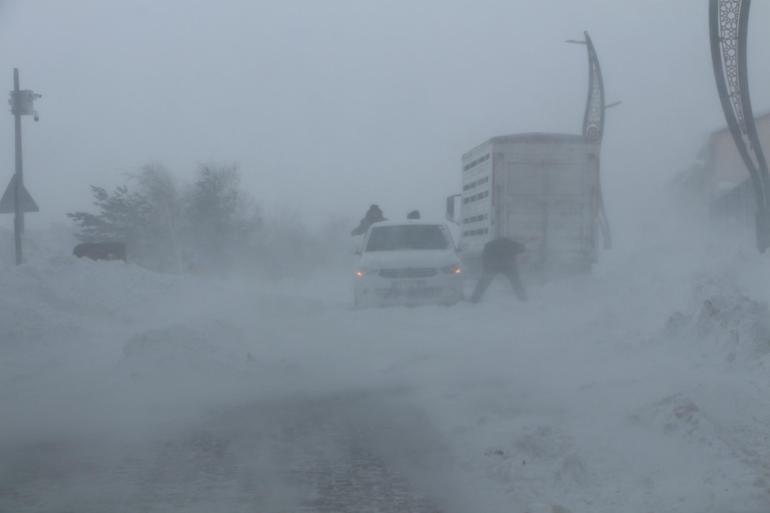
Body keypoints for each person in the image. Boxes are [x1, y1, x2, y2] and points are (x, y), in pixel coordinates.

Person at [470, 237, 527, 303]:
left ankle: (475, 299)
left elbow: (484, 257)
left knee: (484, 282)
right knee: (516, 281)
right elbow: (522, 249)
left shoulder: (489, 245)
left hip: (493, 266)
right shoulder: (511, 243)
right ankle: (522, 297)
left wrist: (486, 267)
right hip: (508, 266)